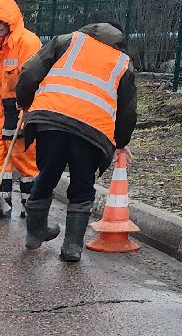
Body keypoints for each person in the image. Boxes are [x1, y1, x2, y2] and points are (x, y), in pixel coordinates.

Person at [14, 22, 138, 262]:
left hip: (50, 120)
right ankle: (72, 247)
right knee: (82, 184)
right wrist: (121, 142)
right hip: (91, 131)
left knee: (47, 173)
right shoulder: (123, 62)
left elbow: (29, 72)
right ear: (118, 39)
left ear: (91, 29)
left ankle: (34, 233)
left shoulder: (67, 41)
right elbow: (127, 111)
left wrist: (24, 101)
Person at [0, 0, 41, 220]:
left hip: (20, 112)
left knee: (25, 161)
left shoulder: (28, 43)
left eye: (1, 21)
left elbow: (34, 79)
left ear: (12, 21)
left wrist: (28, 107)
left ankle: (31, 209)